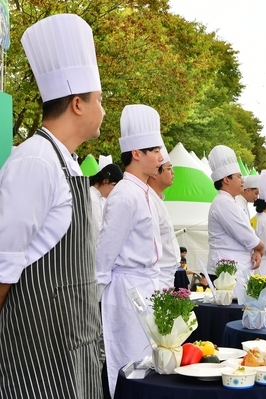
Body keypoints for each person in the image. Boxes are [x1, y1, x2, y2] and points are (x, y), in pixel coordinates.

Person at [0, 14, 104, 399]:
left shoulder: (67, 161)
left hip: (73, 342)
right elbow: (3, 262)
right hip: (36, 351)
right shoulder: (35, 162)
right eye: (99, 100)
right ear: (78, 104)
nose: (103, 109)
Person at [96, 104, 164, 398]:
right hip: (127, 292)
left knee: (149, 364)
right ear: (136, 153)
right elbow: (103, 256)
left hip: (145, 287)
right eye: (155, 150)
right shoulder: (125, 194)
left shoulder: (143, 191)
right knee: (131, 367)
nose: (161, 157)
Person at [206, 145, 265, 304]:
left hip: (237, 269)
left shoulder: (231, 202)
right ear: (226, 179)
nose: (242, 180)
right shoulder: (223, 203)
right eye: (239, 176)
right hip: (227, 272)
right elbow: (245, 235)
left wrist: (257, 248)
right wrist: (260, 247)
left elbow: (248, 235)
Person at [148, 147, 180, 289]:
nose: (173, 172)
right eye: (169, 168)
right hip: (157, 278)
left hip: (166, 277)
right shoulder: (149, 200)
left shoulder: (158, 199)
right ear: (155, 173)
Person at [90, 163, 123, 240]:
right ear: (105, 181)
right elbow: (97, 230)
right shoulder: (91, 198)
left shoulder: (99, 198)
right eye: (114, 186)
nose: (115, 191)